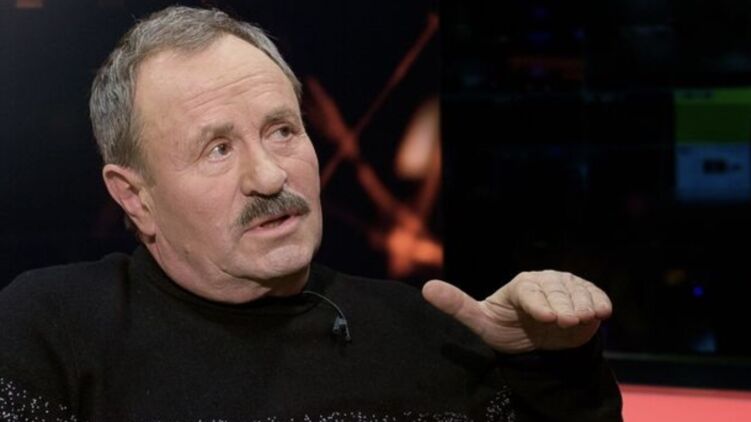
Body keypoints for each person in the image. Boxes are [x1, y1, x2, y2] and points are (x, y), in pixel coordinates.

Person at [0, 6, 622, 421]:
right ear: (135, 197)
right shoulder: (49, 332)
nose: (270, 176)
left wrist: (552, 366)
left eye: (282, 131)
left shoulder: (425, 331)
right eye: (218, 149)